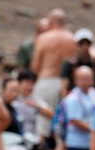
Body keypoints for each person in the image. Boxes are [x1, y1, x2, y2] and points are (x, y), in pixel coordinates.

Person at [30, 9, 76, 142]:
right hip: (65, 83)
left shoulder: (43, 38)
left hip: (46, 81)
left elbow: (35, 65)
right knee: (62, 122)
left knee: (42, 124)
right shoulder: (72, 39)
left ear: (50, 21)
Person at [61, 28, 95, 96]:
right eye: (81, 44)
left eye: (87, 44)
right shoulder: (69, 63)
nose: (84, 47)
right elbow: (64, 85)